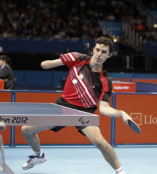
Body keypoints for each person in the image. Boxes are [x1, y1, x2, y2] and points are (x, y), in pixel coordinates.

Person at [21, 37, 132, 174]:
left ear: (109, 55)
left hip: (84, 112)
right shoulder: (77, 58)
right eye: (97, 50)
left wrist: (121, 113)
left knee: (100, 142)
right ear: (93, 49)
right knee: (26, 130)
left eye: (103, 52)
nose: (99, 54)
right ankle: (39, 155)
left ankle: (121, 172)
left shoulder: (105, 80)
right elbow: (46, 64)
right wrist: (51, 63)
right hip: (63, 107)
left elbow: (103, 108)